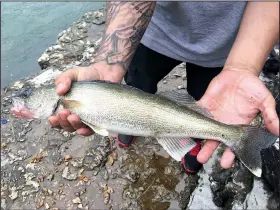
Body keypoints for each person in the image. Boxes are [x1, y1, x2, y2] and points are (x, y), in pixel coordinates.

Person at [48, 2, 279, 174]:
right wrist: (107, 61)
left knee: (203, 104)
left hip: (226, 47)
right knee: (136, 84)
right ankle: (125, 126)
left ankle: (194, 148)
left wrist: (243, 66)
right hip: (151, 32)